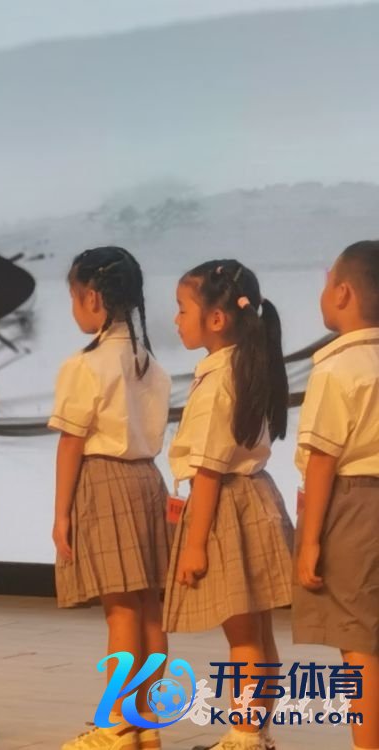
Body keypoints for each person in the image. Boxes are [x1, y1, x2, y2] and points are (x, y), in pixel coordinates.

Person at [164, 260, 293, 750]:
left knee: (243, 637)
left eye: (183, 309)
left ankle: (244, 735)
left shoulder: (219, 380)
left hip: (227, 509)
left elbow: (209, 469)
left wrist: (195, 545)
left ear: (216, 319)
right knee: (257, 633)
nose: (177, 319)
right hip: (255, 498)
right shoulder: (245, 366)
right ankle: (254, 731)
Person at [50, 247, 171, 750]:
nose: (74, 307)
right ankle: (146, 717)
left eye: (74, 297)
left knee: (120, 611)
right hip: (148, 481)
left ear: (93, 298)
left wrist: (60, 514)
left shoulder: (86, 365)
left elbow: (71, 442)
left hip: (104, 481)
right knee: (149, 610)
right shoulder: (150, 363)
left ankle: (117, 721)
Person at [293, 240, 379, 750]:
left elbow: (323, 458)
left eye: (327, 284)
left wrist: (310, 541)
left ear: (343, 293)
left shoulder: (336, 366)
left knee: (358, 641)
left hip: (355, 504)